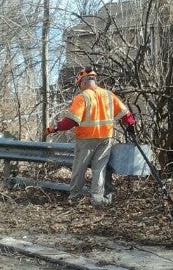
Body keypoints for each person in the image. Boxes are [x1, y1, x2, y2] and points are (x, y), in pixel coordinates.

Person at [45, 67, 135, 207]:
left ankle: (74, 197)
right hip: (105, 138)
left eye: (79, 84)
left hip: (86, 140)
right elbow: (126, 114)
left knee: (79, 169)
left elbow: (71, 122)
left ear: (83, 82)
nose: (80, 87)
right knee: (99, 169)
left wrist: (53, 128)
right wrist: (131, 125)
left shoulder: (82, 97)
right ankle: (97, 199)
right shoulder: (109, 95)